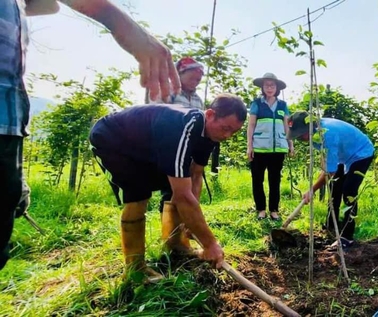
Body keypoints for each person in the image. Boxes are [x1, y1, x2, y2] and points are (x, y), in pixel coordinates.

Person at [1, 0, 180, 271]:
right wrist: (122, 23)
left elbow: (46, 6)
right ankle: (136, 267)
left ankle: (162, 251)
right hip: (121, 142)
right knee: (138, 194)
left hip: (9, 120)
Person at [89, 94, 247, 282]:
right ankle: (135, 269)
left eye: (233, 133)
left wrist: (192, 223)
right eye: (226, 128)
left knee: (178, 180)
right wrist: (210, 243)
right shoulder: (183, 127)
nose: (227, 136)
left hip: (145, 147)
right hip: (112, 139)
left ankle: (175, 245)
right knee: (137, 193)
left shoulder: (210, 136)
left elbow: (195, 174)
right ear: (211, 114)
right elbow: (183, 196)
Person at [288, 111, 374, 250]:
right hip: (343, 156)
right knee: (335, 187)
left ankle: (347, 237)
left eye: (301, 133)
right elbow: (327, 163)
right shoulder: (315, 136)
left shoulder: (327, 135)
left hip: (361, 153)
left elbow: (330, 171)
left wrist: (312, 189)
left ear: (311, 128)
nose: (300, 138)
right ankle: (331, 225)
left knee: (349, 191)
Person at [155, 57, 205, 214]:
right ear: (179, 75)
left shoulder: (198, 100)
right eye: (192, 78)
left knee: (188, 188)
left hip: (189, 151)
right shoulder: (168, 92)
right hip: (170, 150)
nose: (195, 82)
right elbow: (156, 118)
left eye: (198, 80)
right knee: (171, 190)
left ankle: (185, 225)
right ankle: (171, 231)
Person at [246, 73, 293, 221]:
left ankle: (274, 210)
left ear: (277, 88)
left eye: (272, 85)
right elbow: (251, 125)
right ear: (262, 87)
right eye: (266, 85)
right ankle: (261, 209)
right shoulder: (256, 104)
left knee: (275, 181)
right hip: (259, 148)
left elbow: (287, 126)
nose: (269, 88)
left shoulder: (282, 105)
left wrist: (290, 144)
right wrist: (249, 146)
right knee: (257, 179)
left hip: (278, 149)